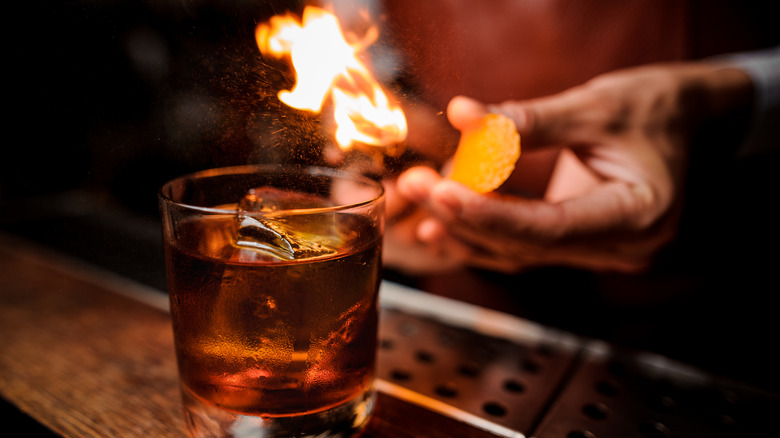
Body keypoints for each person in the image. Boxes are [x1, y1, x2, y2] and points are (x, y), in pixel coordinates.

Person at [375, 1, 780, 390]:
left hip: (705, 315)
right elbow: (376, 53)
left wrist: (718, 99)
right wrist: (380, 181)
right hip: (471, 309)